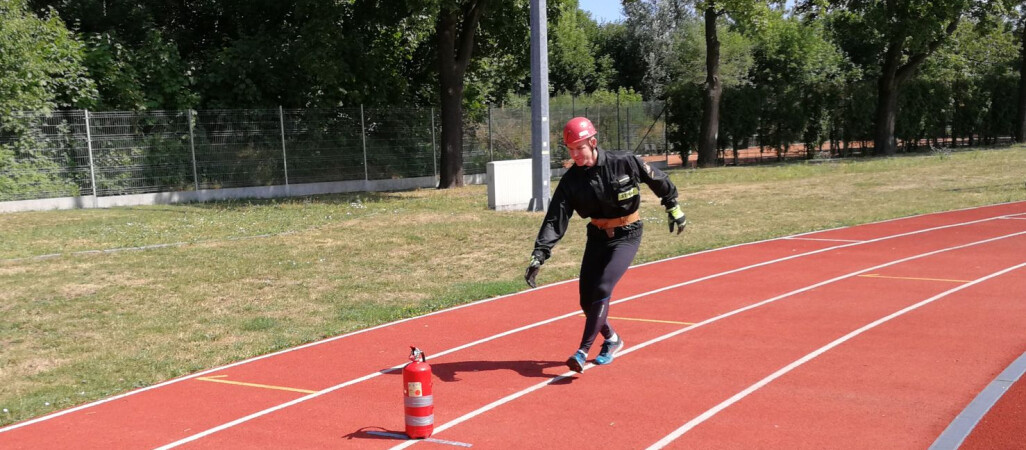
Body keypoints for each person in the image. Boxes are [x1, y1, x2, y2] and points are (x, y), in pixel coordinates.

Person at [524, 116, 686, 374]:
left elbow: (657, 179)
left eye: (580, 148)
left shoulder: (624, 161)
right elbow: (556, 219)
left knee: (602, 287)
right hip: (597, 236)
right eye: (571, 149)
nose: (575, 154)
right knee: (586, 301)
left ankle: (582, 351)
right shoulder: (571, 181)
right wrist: (539, 254)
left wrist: (673, 205)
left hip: (628, 233)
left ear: (593, 143)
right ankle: (612, 340)